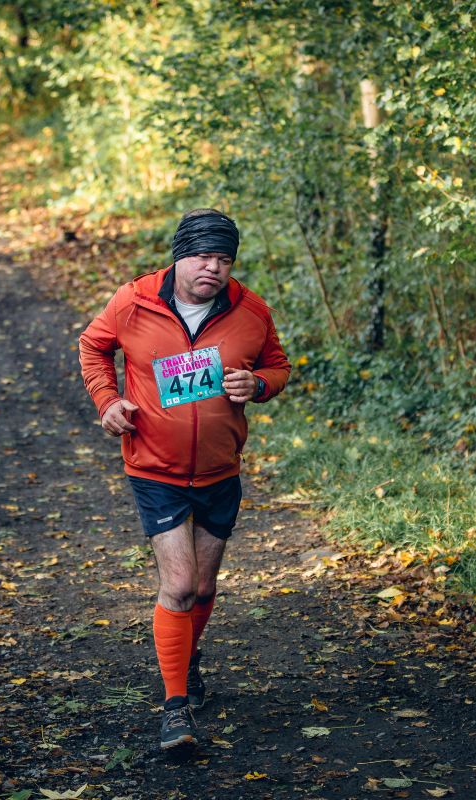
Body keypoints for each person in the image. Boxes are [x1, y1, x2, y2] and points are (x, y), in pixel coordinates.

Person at [78, 209, 291, 750]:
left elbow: (278, 366)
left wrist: (258, 385)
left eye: (223, 259)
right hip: (156, 469)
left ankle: (188, 658)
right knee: (178, 586)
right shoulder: (133, 302)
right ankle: (176, 709)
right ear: (179, 257)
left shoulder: (251, 311)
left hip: (220, 469)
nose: (212, 268)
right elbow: (93, 346)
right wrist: (107, 401)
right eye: (202, 257)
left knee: (203, 588)